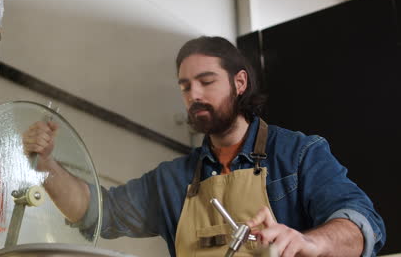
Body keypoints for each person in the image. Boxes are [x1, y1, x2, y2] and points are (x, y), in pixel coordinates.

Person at [22, 36, 386, 257]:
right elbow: (95, 212)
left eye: (206, 81)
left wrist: (310, 243)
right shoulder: (172, 180)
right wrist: (47, 166)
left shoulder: (299, 154)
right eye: (184, 86)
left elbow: (362, 226)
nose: (194, 94)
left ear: (239, 82)